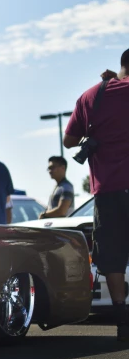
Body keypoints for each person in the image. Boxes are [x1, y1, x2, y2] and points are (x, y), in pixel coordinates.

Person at [63, 48, 129, 341]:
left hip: (108, 190)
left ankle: (122, 321)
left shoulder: (92, 95)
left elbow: (69, 140)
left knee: (113, 256)